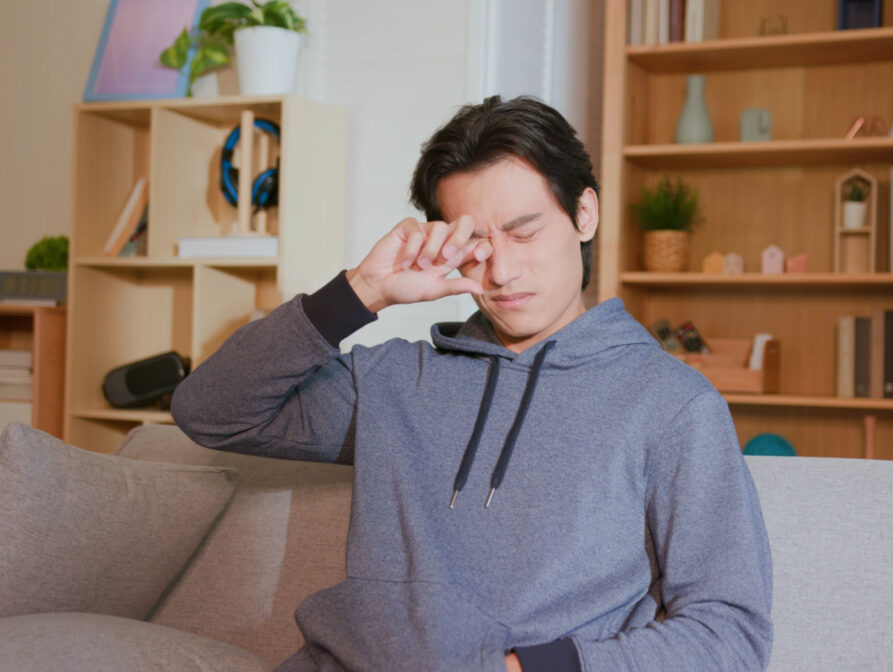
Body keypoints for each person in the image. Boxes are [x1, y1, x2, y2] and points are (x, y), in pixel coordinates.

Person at [171, 95, 773, 672]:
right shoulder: (394, 380)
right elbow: (208, 411)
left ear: (583, 213)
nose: (501, 271)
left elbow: (729, 635)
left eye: (524, 231)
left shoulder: (671, 405)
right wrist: (363, 291)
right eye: (476, 245)